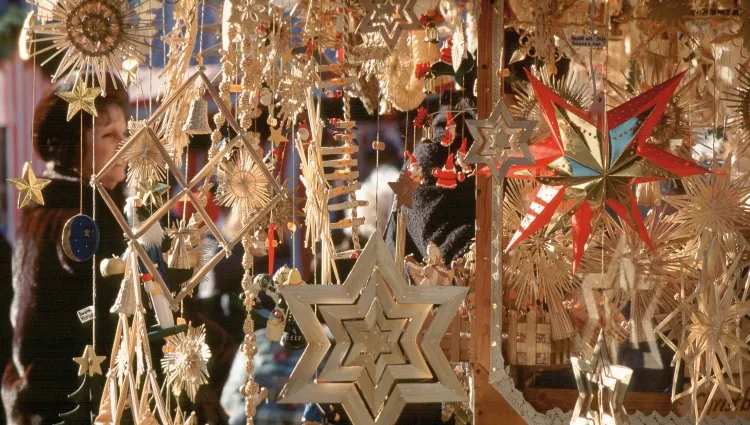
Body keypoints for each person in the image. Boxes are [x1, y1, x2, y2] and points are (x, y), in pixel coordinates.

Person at [2, 75, 129, 424]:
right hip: (70, 405)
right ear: (76, 147)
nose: (124, 146)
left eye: (124, 134)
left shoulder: (109, 205)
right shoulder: (66, 219)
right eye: (109, 136)